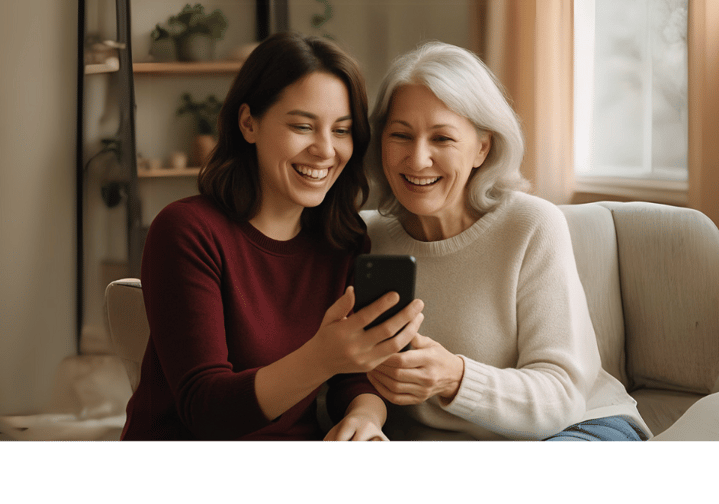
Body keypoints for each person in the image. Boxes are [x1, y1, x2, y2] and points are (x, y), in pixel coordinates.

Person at [120, 33, 424, 441]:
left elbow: (353, 380)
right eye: (302, 126)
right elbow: (205, 409)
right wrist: (321, 357)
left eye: (341, 130)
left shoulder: (342, 241)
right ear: (248, 123)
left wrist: (365, 416)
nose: (325, 150)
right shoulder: (187, 231)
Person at [361, 41, 652, 442]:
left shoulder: (530, 225)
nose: (418, 158)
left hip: (576, 426)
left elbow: (562, 396)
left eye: (442, 138)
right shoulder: (366, 238)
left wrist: (455, 377)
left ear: (483, 147)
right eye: (401, 135)